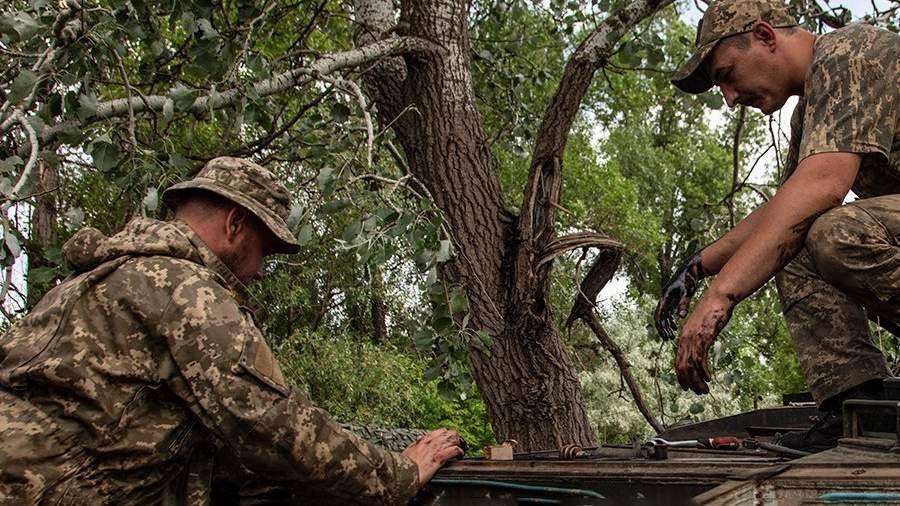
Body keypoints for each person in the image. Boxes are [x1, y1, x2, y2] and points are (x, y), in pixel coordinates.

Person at [0, 156, 463, 504]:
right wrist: (400, 474)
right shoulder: (186, 291)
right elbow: (273, 427)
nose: (260, 271)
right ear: (235, 223)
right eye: (264, 250)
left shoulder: (93, 280)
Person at [656, 0, 899, 449]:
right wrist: (696, 266)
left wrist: (718, 299)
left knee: (833, 232)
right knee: (795, 236)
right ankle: (855, 407)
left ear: (766, 36)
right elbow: (785, 211)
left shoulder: (848, 52)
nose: (729, 99)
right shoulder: (810, 107)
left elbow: (821, 189)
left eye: (727, 75)